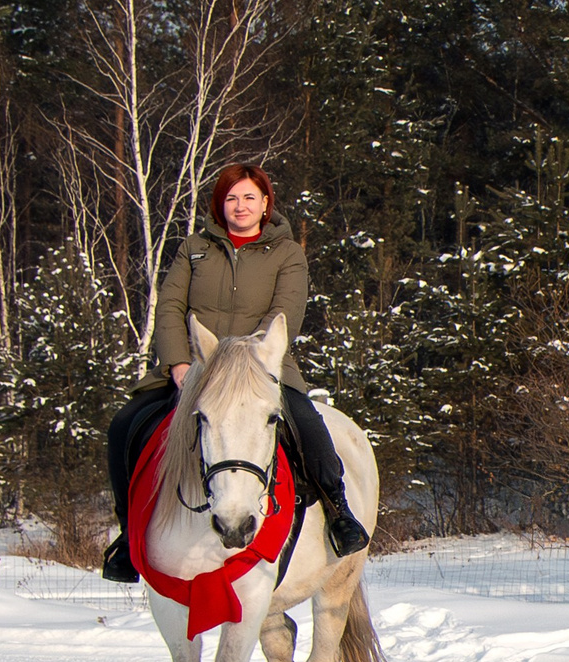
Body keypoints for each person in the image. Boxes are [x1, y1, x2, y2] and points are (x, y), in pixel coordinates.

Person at [100, 163, 370, 582]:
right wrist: (179, 364)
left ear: (265, 204)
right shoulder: (194, 247)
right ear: (219, 204)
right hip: (197, 372)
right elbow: (170, 306)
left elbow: (286, 312)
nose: (239, 206)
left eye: (248, 197)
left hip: (260, 367)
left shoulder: (287, 253)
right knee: (123, 427)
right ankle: (124, 538)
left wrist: (254, 360)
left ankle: (338, 513)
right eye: (231, 198)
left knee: (308, 424)